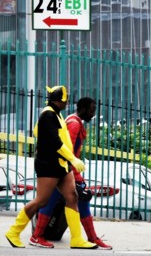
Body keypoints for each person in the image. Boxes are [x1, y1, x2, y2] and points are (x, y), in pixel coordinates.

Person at [5, 85, 97, 249]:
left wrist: (69, 161)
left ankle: (77, 239)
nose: (68, 101)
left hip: (61, 164)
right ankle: (14, 232)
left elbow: (36, 132)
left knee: (72, 197)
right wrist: (73, 159)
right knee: (41, 201)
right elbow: (55, 141)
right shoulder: (48, 114)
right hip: (49, 164)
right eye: (66, 98)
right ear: (59, 100)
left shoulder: (56, 115)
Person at [30, 96, 112, 250]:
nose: (93, 114)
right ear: (83, 109)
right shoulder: (74, 124)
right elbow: (68, 151)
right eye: (92, 110)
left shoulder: (70, 120)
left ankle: (37, 235)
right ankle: (91, 238)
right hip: (64, 170)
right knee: (78, 201)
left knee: (51, 202)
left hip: (60, 169)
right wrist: (75, 175)